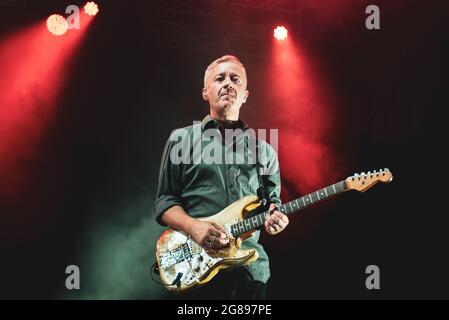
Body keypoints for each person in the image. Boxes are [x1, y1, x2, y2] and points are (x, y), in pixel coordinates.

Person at [154, 55, 289, 299]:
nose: (228, 83)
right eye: (220, 78)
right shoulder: (181, 139)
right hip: (197, 269)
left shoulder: (264, 151)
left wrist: (276, 220)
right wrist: (194, 227)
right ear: (205, 92)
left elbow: (272, 204)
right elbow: (164, 203)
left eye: (235, 79)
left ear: (245, 94)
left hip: (250, 271)